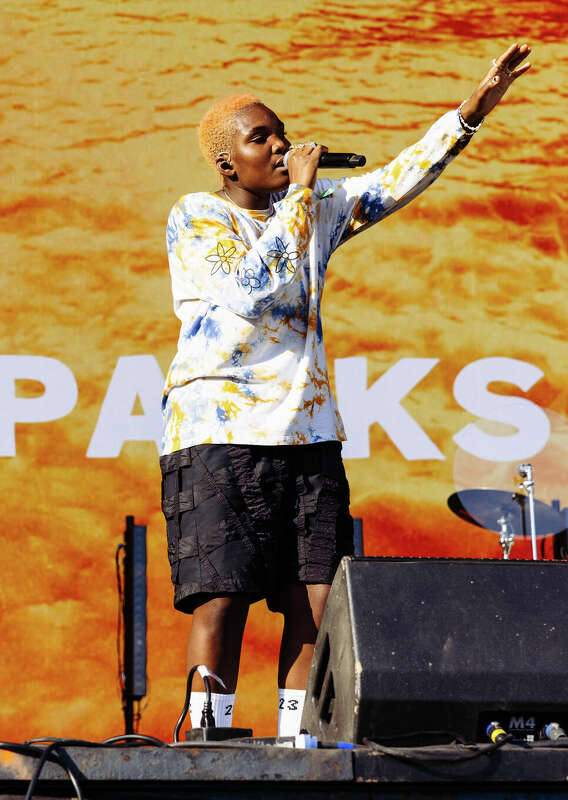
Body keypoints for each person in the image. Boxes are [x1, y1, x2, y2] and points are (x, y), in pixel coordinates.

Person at [159, 44, 531, 736]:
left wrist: (470, 115)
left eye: (280, 132)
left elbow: (398, 180)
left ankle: (301, 740)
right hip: (220, 436)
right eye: (259, 137)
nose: (279, 144)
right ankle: (206, 739)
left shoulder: (319, 208)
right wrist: (298, 194)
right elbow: (252, 287)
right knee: (223, 595)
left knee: (314, 595)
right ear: (225, 162)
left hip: (308, 436)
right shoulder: (198, 218)